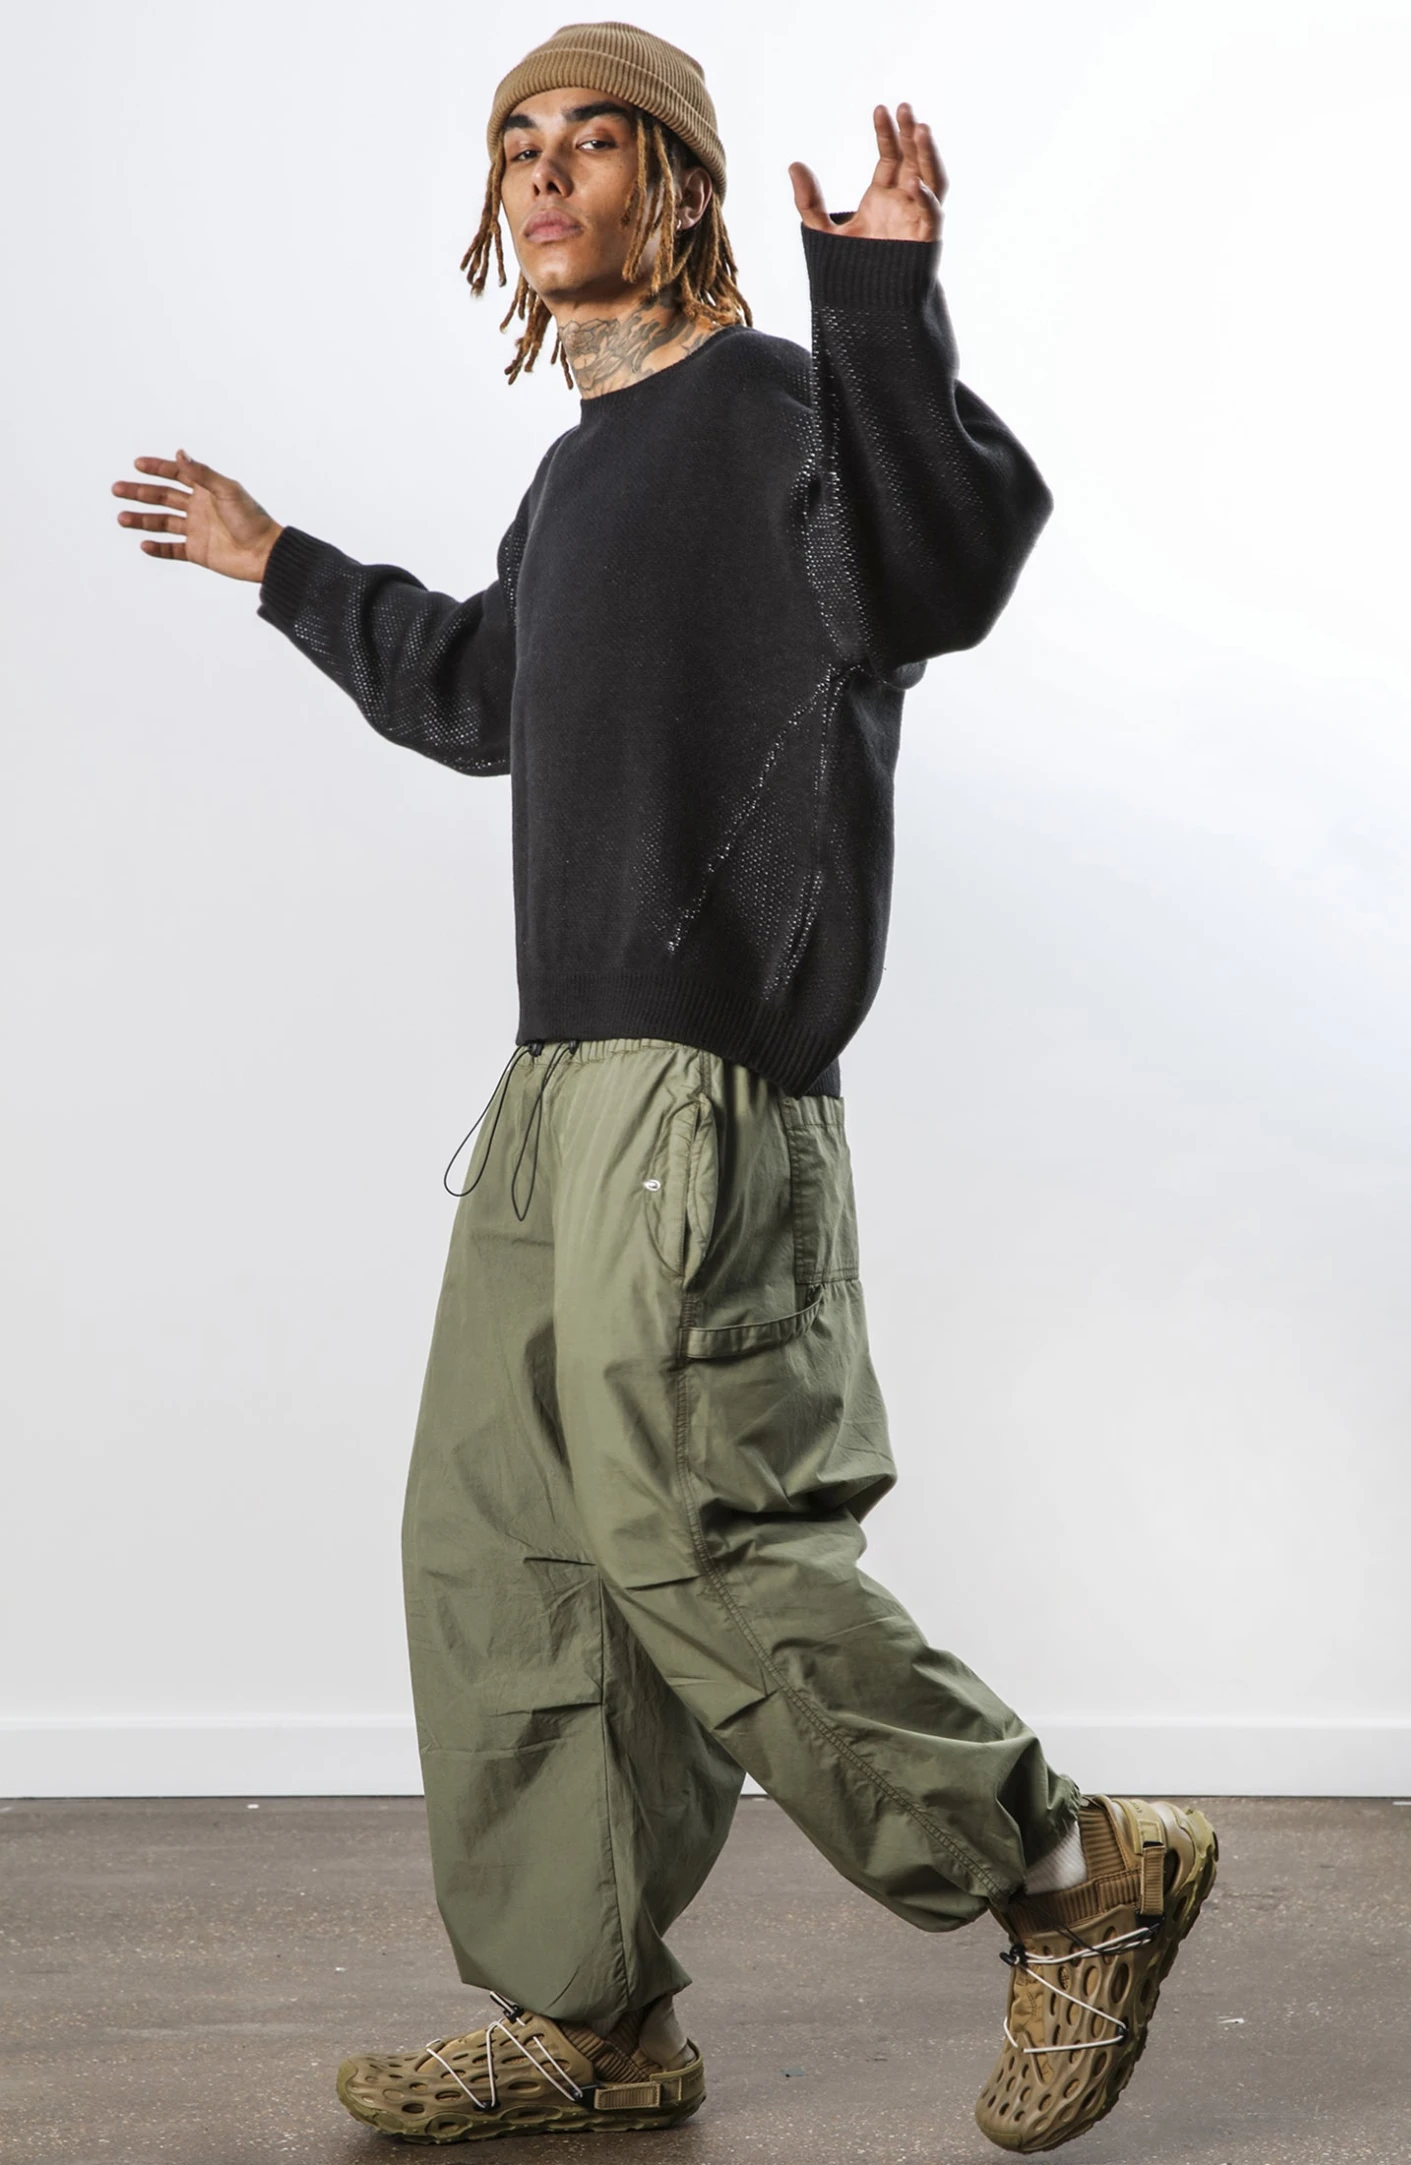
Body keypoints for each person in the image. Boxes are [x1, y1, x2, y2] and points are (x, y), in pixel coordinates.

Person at [112, 21, 1216, 2153]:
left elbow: (940, 566)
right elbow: (480, 694)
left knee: (696, 1532)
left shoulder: (779, 408)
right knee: (504, 1548)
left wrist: (878, 298)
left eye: (589, 141)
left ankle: (1070, 1870)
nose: (542, 176)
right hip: (555, 1089)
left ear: (679, 184)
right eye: (515, 145)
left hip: (702, 1089)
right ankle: (592, 2016)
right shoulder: (583, 467)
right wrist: (283, 567)